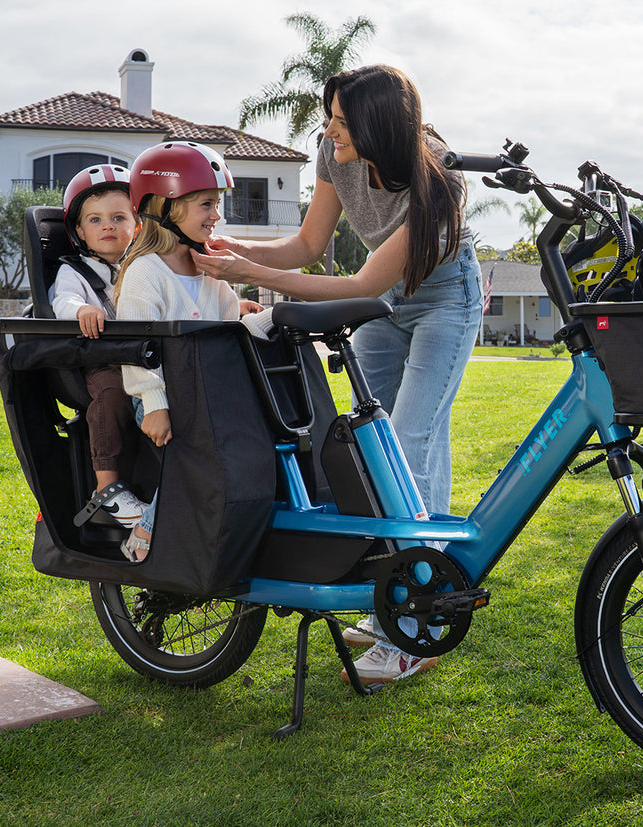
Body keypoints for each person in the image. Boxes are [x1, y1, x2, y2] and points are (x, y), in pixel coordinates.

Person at [192, 65, 482, 682]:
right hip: (386, 303)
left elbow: (361, 283)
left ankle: (413, 630)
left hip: (443, 300)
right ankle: (414, 596)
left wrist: (251, 275)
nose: (329, 130)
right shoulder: (334, 156)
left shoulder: (441, 177)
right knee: (370, 449)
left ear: (380, 125)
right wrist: (234, 251)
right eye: (330, 117)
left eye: (342, 121)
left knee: (410, 443)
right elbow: (305, 247)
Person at [114, 140, 259, 562]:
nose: (217, 215)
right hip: (161, 398)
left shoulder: (211, 269)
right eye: (206, 204)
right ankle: (149, 526)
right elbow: (135, 349)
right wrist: (154, 405)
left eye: (218, 204)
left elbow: (230, 330)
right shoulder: (146, 272)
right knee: (200, 455)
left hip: (205, 395)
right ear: (166, 206)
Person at [51, 164, 147, 527]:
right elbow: (62, 301)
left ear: (137, 226)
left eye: (118, 217)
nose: (108, 226)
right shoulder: (73, 271)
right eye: (95, 220)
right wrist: (82, 309)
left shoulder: (145, 266)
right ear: (79, 231)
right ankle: (106, 488)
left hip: (145, 356)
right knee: (111, 393)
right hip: (100, 359)